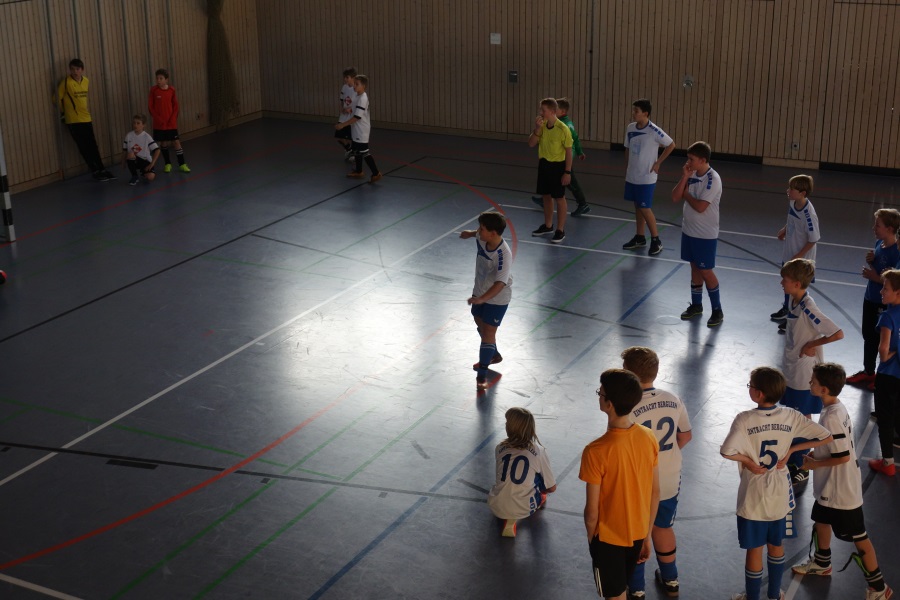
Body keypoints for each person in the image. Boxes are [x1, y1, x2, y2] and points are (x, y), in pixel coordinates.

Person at [721, 366, 832, 600]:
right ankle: (774, 595)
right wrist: (792, 449)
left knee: (755, 549)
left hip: (754, 494)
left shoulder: (744, 419)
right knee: (776, 543)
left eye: (750, 385)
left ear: (758, 393)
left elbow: (727, 451)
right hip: (781, 492)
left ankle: (752, 597)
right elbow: (826, 436)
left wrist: (748, 462)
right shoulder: (791, 415)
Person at [792, 363, 893, 600]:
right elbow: (833, 445)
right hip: (830, 485)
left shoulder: (832, 417)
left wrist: (814, 464)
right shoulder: (833, 408)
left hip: (841, 490)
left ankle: (879, 588)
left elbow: (843, 456)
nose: (810, 383)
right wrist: (817, 454)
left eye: (813, 381)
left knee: (859, 537)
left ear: (824, 389)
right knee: (821, 519)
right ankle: (822, 563)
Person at [580, 369, 660, 600]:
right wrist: (646, 535)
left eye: (601, 393)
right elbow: (655, 492)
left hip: (608, 539)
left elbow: (592, 512)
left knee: (614, 595)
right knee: (622, 588)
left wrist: (592, 541)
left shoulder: (595, 451)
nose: (599, 396)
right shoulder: (648, 437)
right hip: (638, 532)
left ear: (609, 404)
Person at [621, 347, 692, 599]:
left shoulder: (627, 405)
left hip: (639, 481)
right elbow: (685, 435)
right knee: (663, 527)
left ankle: (637, 589)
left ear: (627, 373)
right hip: (669, 477)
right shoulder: (673, 398)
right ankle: (671, 580)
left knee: (636, 533)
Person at [779, 258, 844, 484]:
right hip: (791, 368)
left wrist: (812, 344)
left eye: (785, 280)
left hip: (803, 374)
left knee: (802, 418)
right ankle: (793, 457)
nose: (781, 283)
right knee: (795, 415)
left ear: (797, 284)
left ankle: (802, 464)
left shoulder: (808, 307)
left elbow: (837, 333)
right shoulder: (793, 300)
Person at [847, 209, 900, 391]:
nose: (873, 228)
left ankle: (881, 373)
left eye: (878, 225)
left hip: (882, 301)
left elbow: (893, 281)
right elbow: (879, 268)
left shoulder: (896, 252)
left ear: (890, 229)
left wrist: (874, 277)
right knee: (868, 334)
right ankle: (868, 371)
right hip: (870, 296)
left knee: (880, 339)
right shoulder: (879, 243)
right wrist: (872, 261)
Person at [459, 212, 513, 389]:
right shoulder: (483, 238)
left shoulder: (503, 254)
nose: (479, 231)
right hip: (479, 290)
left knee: (488, 333)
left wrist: (483, 299)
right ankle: (493, 354)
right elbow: (475, 233)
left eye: (482, 229)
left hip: (497, 298)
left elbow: (500, 284)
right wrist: (468, 234)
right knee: (480, 323)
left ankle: (481, 377)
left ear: (493, 233)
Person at [671, 141, 723, 327]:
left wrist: (686, 195)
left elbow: (701, 207)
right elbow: (675, 197)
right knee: (694, 267)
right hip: (689, 230)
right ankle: (696, 305)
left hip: (704, 234)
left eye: (691, 159)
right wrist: (684, 177)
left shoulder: (713, 179)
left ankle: (717, 310)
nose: (688, 162)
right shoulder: (691, 173)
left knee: (706, 271)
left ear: (702, 160)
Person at [487, 407, 557, 537]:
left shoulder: (499, 447)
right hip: (524, 508)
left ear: (510, 428)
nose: (505, 425)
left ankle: (508, 516)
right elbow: (552, 488)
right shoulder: (539, 451)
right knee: (537, 476)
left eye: (507, 422)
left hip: (495, 505)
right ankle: (537, 499)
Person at [621, 99, 676, 257]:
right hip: (633, 175)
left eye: (636, 111)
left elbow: (671, 144)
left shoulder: (654, 130)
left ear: (645, 113)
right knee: (638, 206)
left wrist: (658, 163)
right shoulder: (630, 128)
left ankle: (656, 240)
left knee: (645, 207)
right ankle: (640, 237)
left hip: (647, 177)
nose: (633, 113)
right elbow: (627, 148)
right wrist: (629, 165)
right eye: (634, 110)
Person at [769, 175, 819, 332]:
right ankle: (787, 308)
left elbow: (813, 239)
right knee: (786, 281)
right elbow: (791, 219)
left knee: (796, 288)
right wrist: (785, 229)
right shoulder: (793, 202)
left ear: (802, 193)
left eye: (792, 189)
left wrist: (799, 255)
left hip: (801, 259)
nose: (788, 191)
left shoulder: (809, 215)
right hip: (789, 252)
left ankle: (793, 318)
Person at [57, 58, 115, 181]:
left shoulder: (86, 81)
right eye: (72, 69)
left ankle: (102, 169)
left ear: (82, 70)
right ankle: (94, 171)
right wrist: (63, 113)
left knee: (92, 145)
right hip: (73, 120)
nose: (75, 72)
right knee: (83, 146)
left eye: (77, 69)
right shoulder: (66, 83)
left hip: (86, 118)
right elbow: (56, 99)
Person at [531, 97, 590, 216]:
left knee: (568, 180)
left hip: (563, 157)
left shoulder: (565, 126)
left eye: (556, 109)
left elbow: (573, 140)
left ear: (562, 111)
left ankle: (583, 203)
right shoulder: (550, 124)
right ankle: (545, 198)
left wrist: (578, 152)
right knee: (554, 180)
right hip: (555, 156)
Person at [529, 98, 573, 244]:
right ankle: (548, 226)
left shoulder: (563, 129)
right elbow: (531, 143)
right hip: (544, 164)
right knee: (546, 196)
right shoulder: (541, 126)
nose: (541, 113)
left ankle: (560, 230)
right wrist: (536, 129)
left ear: (553, 111)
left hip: (557, 166)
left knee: (559, 198)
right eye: (541, 110)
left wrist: (567, 172)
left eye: (543, 110)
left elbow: (568, 152)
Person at [870, 269, 900, 476]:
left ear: (898, 292)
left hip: (889, 376)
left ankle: (887, 462)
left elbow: (883, 351)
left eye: (886, 288)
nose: (881, 292)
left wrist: (891, 354)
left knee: (885, 417)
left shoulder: (888, 317)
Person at [335, 74, 382, 183]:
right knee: (356, 150)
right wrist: (346, 110)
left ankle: (376, 173)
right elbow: (353, 111)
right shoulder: (356, 96)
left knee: (364, 152)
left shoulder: (363, 98)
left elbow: (357, 117)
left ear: (363, 86)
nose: (354, 86)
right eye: (354, 84)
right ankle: (359, 171)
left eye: (357, 84)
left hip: (361, 130)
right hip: (355, 128)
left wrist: (343, 125)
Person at [147, 68, 190, 173]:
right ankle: (168, 164)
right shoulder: (153, 90)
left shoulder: (171, 90)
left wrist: (173, 118)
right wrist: (158, 119)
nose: (158, 80)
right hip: (160, 124)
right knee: (164, 143)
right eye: (157, 78)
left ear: (166, 79)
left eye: (161, 78)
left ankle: (182, 164)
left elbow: (176, 106)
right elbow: (151, 107)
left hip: (171, 124)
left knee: (176, 142)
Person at [122, 115, 161, 186]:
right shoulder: (129, 136)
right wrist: (123, 162)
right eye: (134, 123)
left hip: (145, 160)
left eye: (138, 123)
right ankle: (134, 176)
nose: (135, 125)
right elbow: (124, 150)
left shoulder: (147, 137)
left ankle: (143, 172)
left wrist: (152, 164)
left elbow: (157, 150)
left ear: (143, 125)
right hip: (135, 159)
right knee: (130, 154)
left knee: (150, 177)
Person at [335, 67, 357, 160]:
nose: (345, 79)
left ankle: (353, 154)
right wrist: (343, 109)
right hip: (343, 116)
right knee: (339, 136)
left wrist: (351, 110)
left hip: (351, 117)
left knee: (351, 137)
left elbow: (358, 104)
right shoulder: (344, 87)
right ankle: (349, 149)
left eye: (347, 77)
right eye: (344, 77)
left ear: (353, 77)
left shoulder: (356, 88)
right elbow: (342, 100)